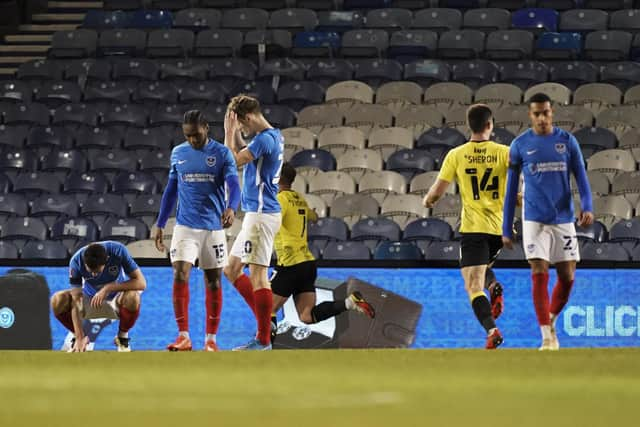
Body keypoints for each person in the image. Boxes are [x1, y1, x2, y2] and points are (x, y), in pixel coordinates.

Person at [502, 93, 593, 351]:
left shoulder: (567, 141)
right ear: (530, 116)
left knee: (567, 277)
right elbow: (510, 191)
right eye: (537, 113)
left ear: (552, 113)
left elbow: (582, 178)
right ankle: (545, 336)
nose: (542, 118)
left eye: (546, 112)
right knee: (539, 272)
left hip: (563, 218)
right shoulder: (520, 145)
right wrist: (506, 227)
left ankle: (551, 320)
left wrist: (588, 207)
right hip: (534, 220)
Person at [423, 104, 509, 349]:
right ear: (490, 125)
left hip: (473, 228)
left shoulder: (457, 154)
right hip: (498, 230)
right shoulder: (505, 152)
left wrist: (428, 200)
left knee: (472, 285)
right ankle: (493, 286)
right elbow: (517, 190)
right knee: (483, 270)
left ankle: (492, 330)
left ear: (469, 126)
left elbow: (437, 192)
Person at [154, 110, 241, 352]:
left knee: (213, 281)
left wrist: (232, 208)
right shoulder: (178, 153)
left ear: (206, 127)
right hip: (185, 226)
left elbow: (234, 185)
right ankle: (183, 336)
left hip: (213, 228)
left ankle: (210, 340)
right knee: (180, 273)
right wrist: (160, 222)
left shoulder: (222, 154)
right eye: (188, 135)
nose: (192, 140)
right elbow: (171, 190)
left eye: (196, 134)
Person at [270, 163, 375, 341]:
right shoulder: (299, 198)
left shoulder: (280, 199)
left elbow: (274, 219)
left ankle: (263, 350)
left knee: (267, 309)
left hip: (290, 262)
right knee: (307, 316)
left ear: (278, 178)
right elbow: (314, 217)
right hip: (307, 264)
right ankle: (350, 303)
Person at [223, 94, 284, 351]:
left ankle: (263, 339)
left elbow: (231, 161)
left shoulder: (264, 140)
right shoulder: (273, 136)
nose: (242, 131)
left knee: (258, 275)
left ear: (247, 118)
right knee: (232, 269)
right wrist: (237, 133)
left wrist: (228, 133)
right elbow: (244, 150)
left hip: (261, 216)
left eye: (242, 126)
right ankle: (265, 321)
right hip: (257, 215)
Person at [51, 241, 146, 352]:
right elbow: (76, 300)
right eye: (90, 271)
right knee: (57, 300)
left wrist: (108, 288)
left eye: (97, 272)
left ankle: (122, 337)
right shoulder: (76, 261)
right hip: (89, 300)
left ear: (107, 260)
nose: (94, 275)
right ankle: (79, 337)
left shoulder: (118, 250)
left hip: (116, 300)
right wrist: (79, 336)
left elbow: (141, 283)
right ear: (85, 263)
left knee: (133, 297)